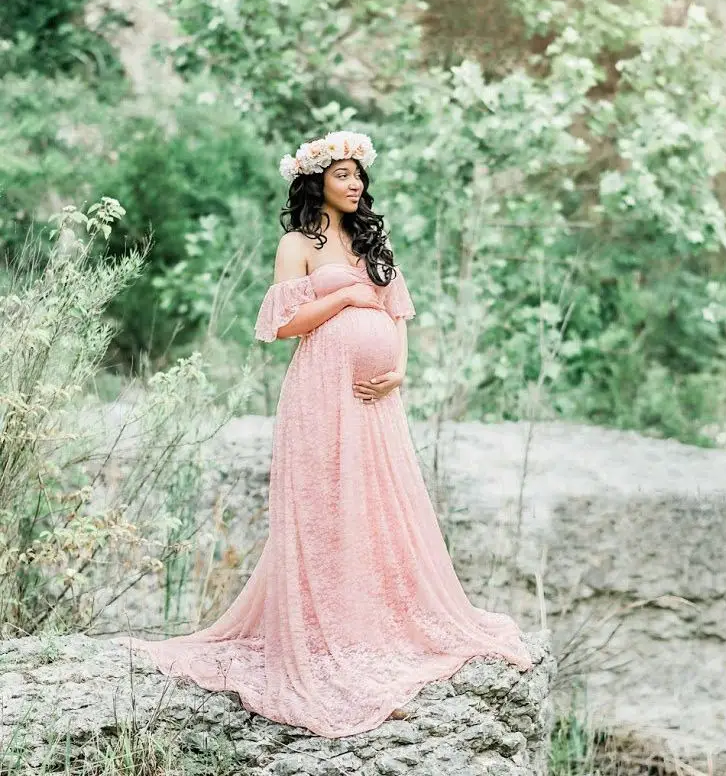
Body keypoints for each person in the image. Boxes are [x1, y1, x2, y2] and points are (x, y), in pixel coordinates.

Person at [114, 130, 532, 738]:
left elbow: (397, 313)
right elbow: (284, 325)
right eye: (342, 174)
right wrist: (345, 299)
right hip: (320, 393)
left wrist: (398, 371)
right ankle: (324, 634)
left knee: (379, 507)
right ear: (317, 182)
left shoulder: (372, 241)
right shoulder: (297, 244)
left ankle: (376, 625)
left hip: (375, 398)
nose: (355, 183)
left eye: (359, 174)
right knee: (327, 505)